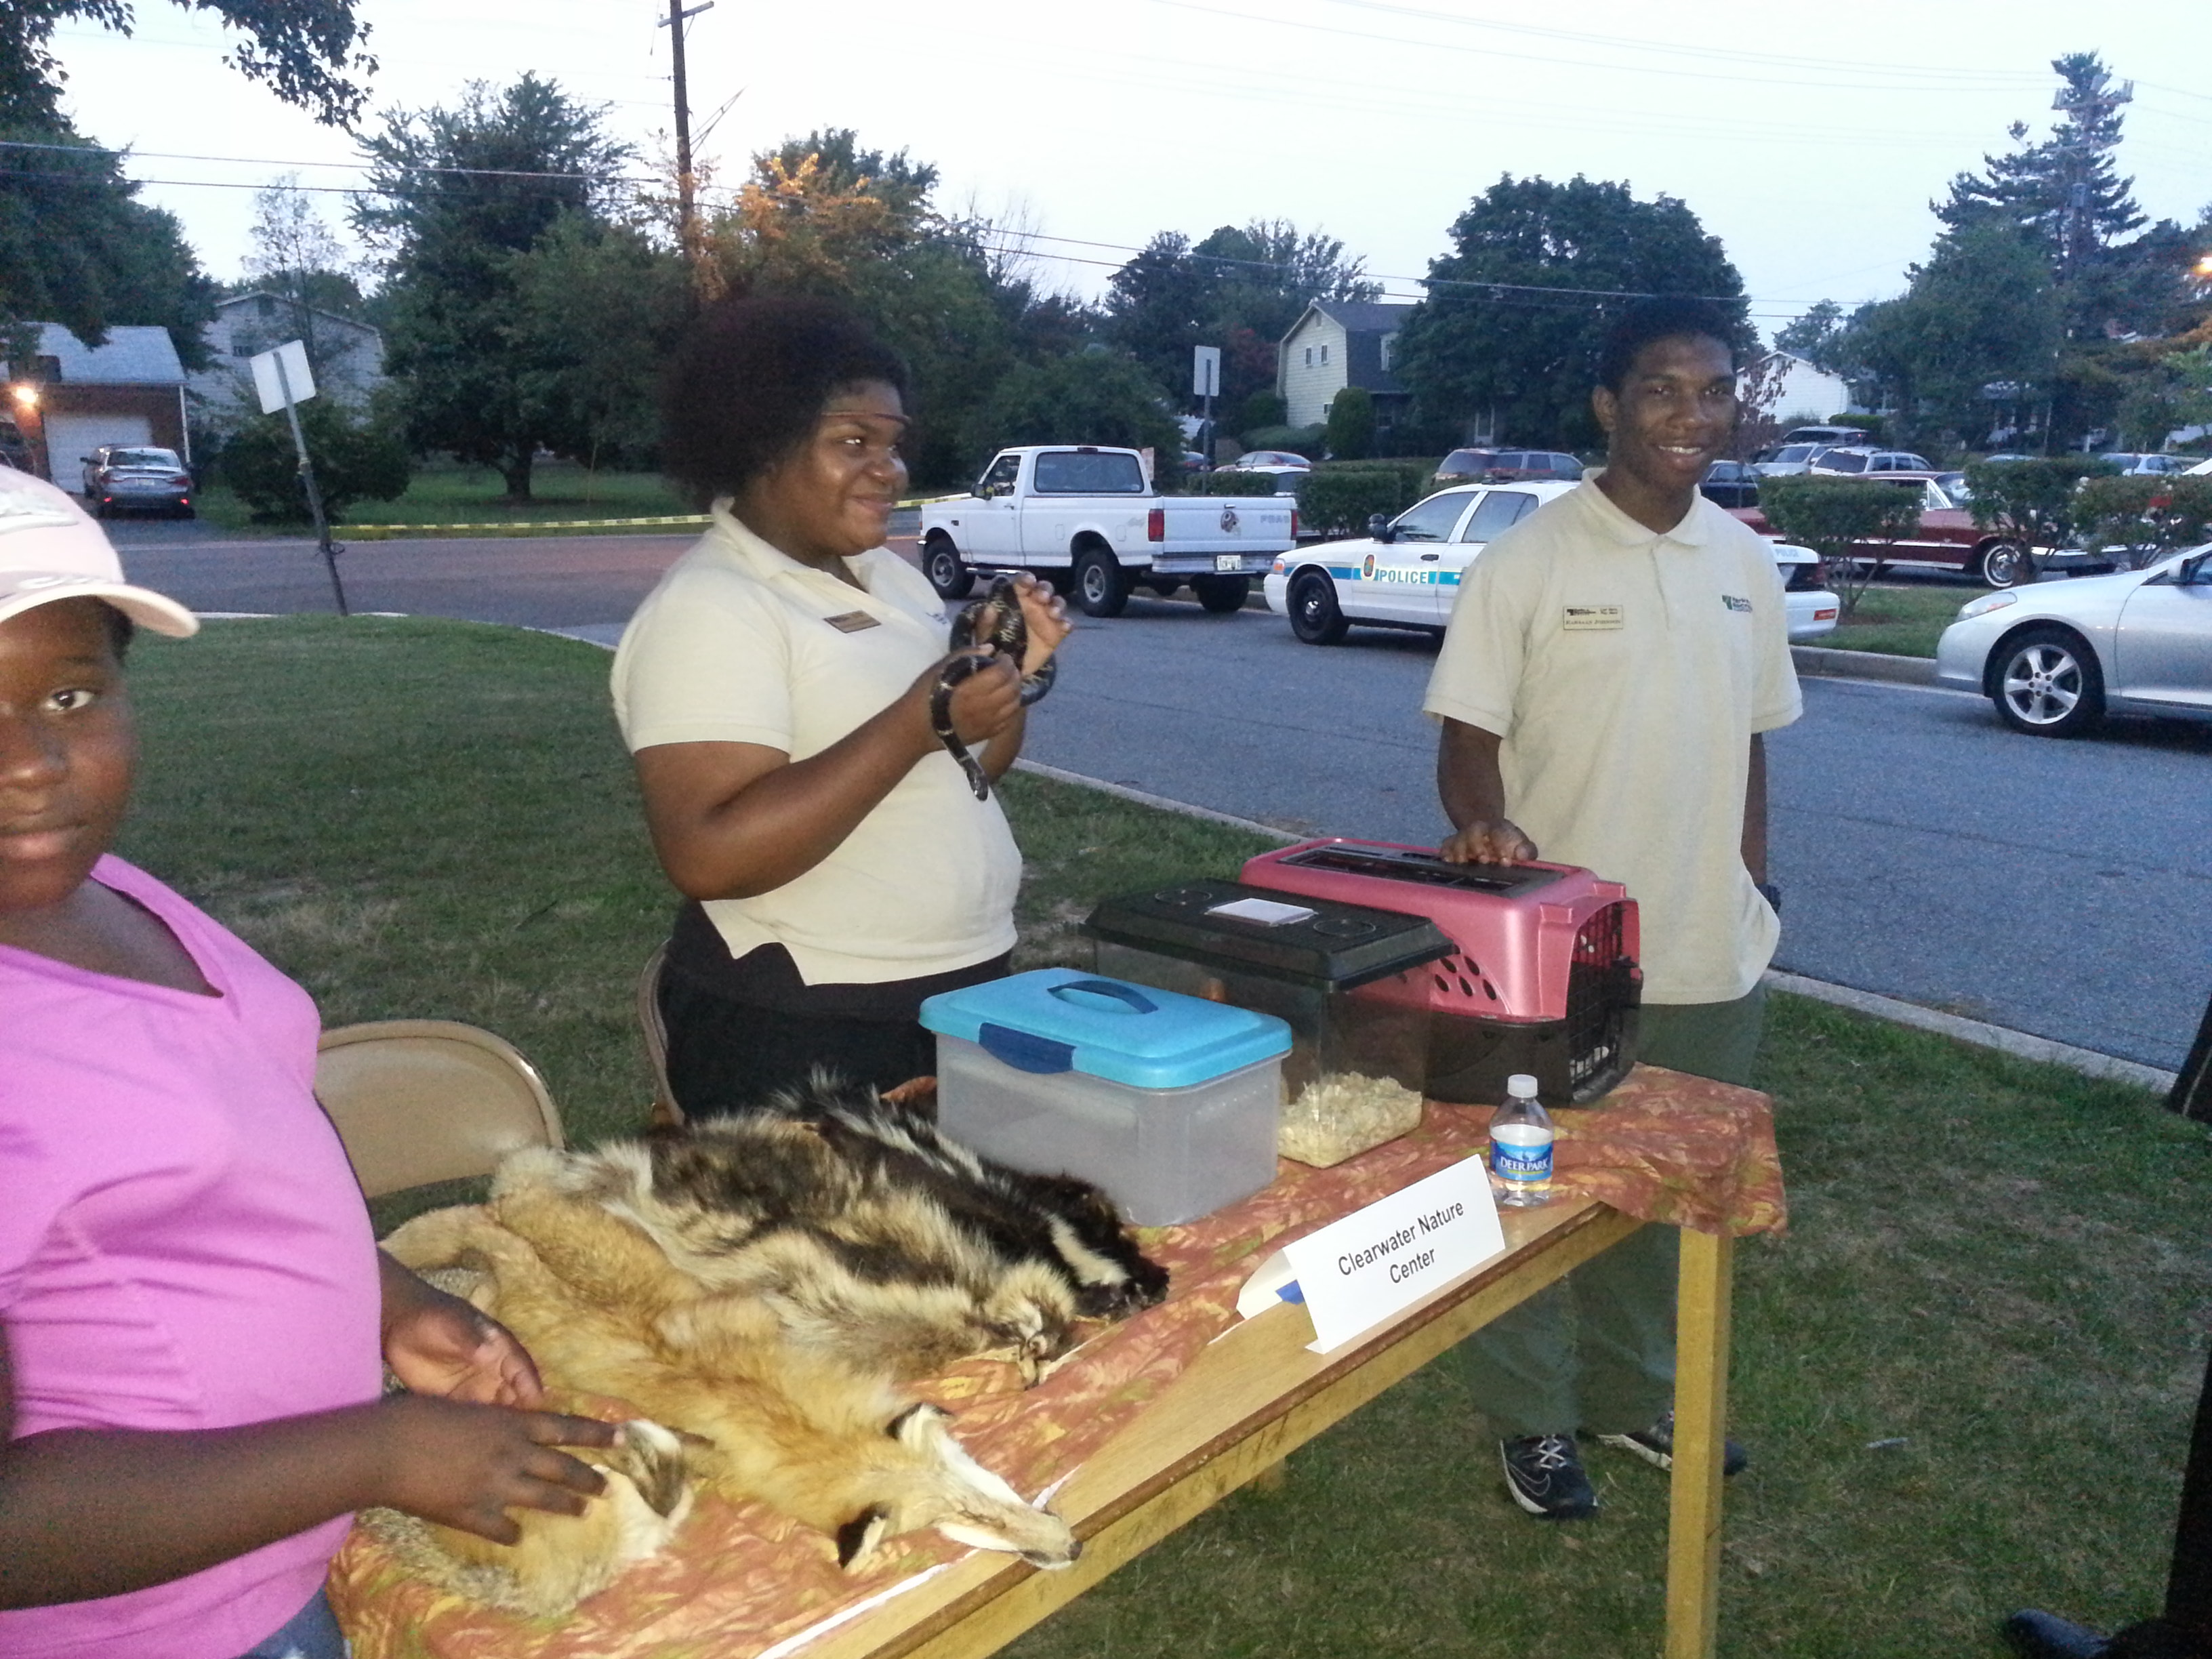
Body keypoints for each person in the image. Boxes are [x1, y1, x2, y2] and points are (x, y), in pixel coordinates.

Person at [0, 472, 617, 1659]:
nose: (30, 763)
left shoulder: (97, 884)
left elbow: (246, 1148)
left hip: (276, 1553)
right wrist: (372, 1451)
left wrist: (394, 1305)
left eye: (69, 694)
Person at [1422, 296, 1801, 1521]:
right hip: (1554, 955)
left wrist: (1752, 881)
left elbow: (1751, 742)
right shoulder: (1530, 558)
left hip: (1706, 949)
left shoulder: (1743, 561)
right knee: (1527, 1188)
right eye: (1660, 389)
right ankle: (1531, 1417)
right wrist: (1486, 827)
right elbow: (1465, 739)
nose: (1692, 415)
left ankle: (1635, 1392)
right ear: (1607, 405)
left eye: (1713, 391)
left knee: (1665, 1193)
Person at [613, 296, 1069, 1116]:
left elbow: (968, 769)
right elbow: (707, 855)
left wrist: (1002, 677)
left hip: (956, 992)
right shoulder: (714, 606)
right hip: (803, 1019)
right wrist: (916, 722)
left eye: (894, 445)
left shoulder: (890, 578)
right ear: (761, 444)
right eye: (854, 443)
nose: (889, 470)